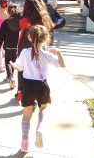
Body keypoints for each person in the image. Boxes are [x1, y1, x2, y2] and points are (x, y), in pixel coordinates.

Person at [11, 25, 65, 153]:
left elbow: (19, 68)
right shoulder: (46, 54)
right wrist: (58, 52)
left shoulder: (24, 52)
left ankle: (24, 144)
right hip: (42, 86)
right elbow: (62, 66)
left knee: (26, 115)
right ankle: (40, 129)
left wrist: (13, 65)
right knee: (43, 109)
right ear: (46, 39)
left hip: (27, 86)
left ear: (29, 37)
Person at [8, 0, 54, 101]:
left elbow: (10, 23)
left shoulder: (24, 20)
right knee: (41, 69)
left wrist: (17, 14)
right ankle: (41, 92)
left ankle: (23, 93)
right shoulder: (45, 20)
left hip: (24, 47)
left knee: (22, 69)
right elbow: (56, 25)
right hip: (42, 47)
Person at [0, 4, 20, 89]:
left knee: (7, 61)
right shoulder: (18, 22)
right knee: (13, 61)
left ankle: (10, 77)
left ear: (8, 11)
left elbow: (1, 36)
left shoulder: (5, 23)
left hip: (7, 45)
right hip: (16, 45)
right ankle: (12, 76)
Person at [0, 0, 9, 71]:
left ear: (0, 5)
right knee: (5, 49)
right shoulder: (8, 14)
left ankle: (0, 65)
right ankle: (6, 64)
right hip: (6, 32)